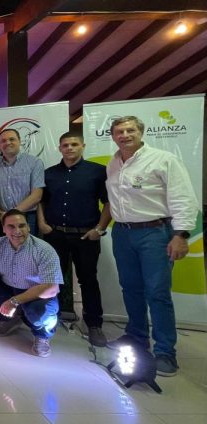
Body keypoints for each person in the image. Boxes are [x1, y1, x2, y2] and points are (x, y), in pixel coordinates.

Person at [105, 116, 198, 376]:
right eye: (119, 131)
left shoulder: (163, 160)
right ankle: (136, 337)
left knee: (157, 292)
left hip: (155, 233)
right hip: (122, 233)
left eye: (130, 130)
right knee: (130, 288)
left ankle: (165, 352)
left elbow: (183, 197)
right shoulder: (113, 163)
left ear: (141, 132)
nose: (124, 135)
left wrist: (181, 234)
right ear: (113, 136)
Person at [36, 132, 111, 346]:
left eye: (74, 144)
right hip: (55, 234)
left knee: (88, 279)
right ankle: (50, 318)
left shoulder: (98, 171)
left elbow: (108, 202)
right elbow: (41, 201)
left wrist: (100, 229)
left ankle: (94, 324)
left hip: (86, 235)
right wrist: (42, 223)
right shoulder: (49, 174)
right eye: (65, 145)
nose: (69, 148)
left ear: (82, 146)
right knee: (52, 279)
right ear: (59, 148)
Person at [0, 209, 62, 357]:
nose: (17, 231)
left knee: (41, 313)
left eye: (21, 225)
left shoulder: (44, 249)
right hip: (8, 287)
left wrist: (14, 301)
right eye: (11, 226)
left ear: (29, 227)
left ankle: (42, 335)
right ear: (3, 229)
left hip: (36, 293)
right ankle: (10, 319)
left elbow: (52, 288)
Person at [0, 128, 45, 233]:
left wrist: (12, 213)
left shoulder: (35, 163)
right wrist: (0, 212)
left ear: (20, 141)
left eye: (12, 139)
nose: (7, 143)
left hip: (27, 217)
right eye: (3, 141)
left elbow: (37, 195)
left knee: (28, 244)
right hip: (1, 217)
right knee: (2, 244)